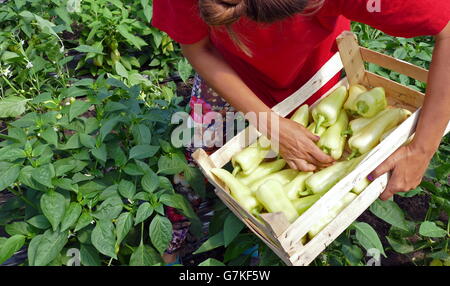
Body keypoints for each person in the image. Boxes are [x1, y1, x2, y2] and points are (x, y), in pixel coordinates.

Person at [153, 0, 450, 261]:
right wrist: (269, 123)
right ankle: (182, 233)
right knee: (199, 161)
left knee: (290, 174)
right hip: (225, 76)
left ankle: (247, 242)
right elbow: (196, 46)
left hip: (314, 80)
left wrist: (422, 149)